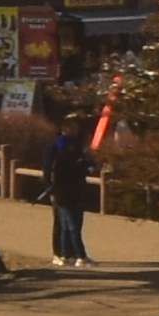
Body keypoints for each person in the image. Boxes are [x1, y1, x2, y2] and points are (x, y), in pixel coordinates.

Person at [37, 101, 97, 264]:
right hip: (60, 189)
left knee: (69, 224)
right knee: (64, 223)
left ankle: (68, 252)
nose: (75, 131)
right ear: (65, 129)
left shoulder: (77, 146)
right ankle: (64, 253)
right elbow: (47, 170)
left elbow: (82, 166)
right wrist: (49, 188)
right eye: (72, 128)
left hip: (74, 188)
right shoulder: (55, 147)